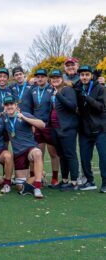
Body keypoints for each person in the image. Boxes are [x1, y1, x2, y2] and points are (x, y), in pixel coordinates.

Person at [1, 96, 45, 198]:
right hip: (18, 153)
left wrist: (24, 118)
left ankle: (37, 187)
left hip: (30, 149)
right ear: (4, 107)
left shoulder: (24, 114)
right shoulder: (4, 117)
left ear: (16, 105)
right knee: (20, 187)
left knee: (38, 153)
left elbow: (42, 125)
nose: (9, 106)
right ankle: (41, 174)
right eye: (7, 105)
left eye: (11, 104)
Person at [73, 65, 106, 193]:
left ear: (91, 76)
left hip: (100, 128)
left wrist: (87, 97)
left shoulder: (100, 88)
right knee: (85, 157)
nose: (84, 77)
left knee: (104, 157)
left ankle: (105, 183)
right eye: (82, 75)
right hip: (84, 129)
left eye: (87, 74)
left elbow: (100, 107)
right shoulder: (77, 88)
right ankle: (89, 181)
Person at [47, 69, 80, 191]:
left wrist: (59, 95)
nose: (55, 79)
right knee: (61, 155)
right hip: (55, 128)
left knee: (70, 154)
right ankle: (65, 180)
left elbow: (72, 106)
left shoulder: (67, 90)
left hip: (67, 128)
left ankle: (74, 182)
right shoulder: (53, 92)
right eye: (53, 78)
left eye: (57, 77)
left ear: (62, 78)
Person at [31, 69, 59, 186]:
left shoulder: (52, 89)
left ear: (47, 78)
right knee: (39, 153)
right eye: (38, 77)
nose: (40, 78)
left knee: (53, 153)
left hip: (49, 126)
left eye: (42, 76)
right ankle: (40, 176)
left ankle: (55, 177)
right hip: (37, 126)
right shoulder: (32, 90)